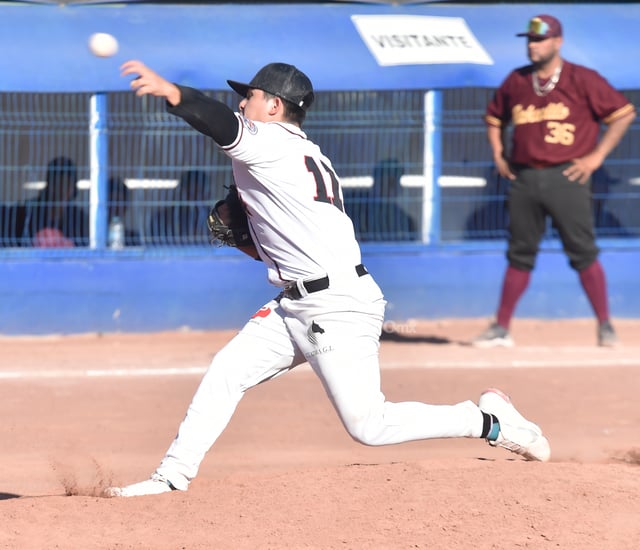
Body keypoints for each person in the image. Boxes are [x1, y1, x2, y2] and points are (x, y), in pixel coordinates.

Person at [106, 59, 551, 497]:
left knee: (370, 426)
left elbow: (219, 122)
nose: (243, 103)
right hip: (296, 301)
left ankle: (487, 421)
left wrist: (175, 94)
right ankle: (171, 476)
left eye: (251, 95)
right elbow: (289, 240)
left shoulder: (269, 142)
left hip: (335, 305)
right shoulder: (304, 152)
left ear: (275, 106)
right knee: (226, 371)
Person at [472, 14, 636, 349]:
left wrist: (597, 157)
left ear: (557, 42)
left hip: (568, 176)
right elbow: (493, 117)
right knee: (519, 253)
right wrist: (498, 154)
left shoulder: (581, 78)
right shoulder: (517, 80)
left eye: (540, 40)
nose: (533, 45)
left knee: (582, 251)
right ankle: (501, 328)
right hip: (525, 177)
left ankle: (606, 326)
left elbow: (623, 113)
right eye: (529, 40)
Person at [22, 156, 89, 247]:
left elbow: (85, 248)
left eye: (67, 183)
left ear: (73, 188)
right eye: (58, 182)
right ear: (50, 185)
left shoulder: (79, 219)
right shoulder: (29, 212)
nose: (62, 189)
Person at [345, 158, 417, 241]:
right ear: (375, 182)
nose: (392, 188)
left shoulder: (406, 223)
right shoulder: (352, 206)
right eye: (389, 183)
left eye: (394, 183)